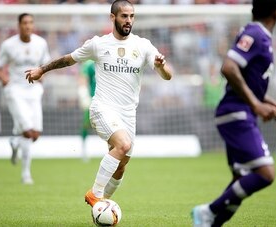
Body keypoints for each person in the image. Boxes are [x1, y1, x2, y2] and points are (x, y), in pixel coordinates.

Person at [25, 0, 172, 206]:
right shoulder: (98, 44)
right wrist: (42, 69)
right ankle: (95, 194)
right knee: (123, 145)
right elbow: (69, 59)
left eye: (131, 16)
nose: (128, 20)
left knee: (121, 166)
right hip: (102, 108)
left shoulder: (143, 45)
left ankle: (101, 205)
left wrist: (162, 67)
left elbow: (167, 76)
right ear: (113, 18)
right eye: (124, 16)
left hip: (128, 113)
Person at [191, 0, 276, 226]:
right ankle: (208, 211)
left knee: (241, 179)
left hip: (239, 113)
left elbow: (252, 85)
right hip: (236, 113)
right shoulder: (255, 34)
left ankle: (209, 222)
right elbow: (228, 67)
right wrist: (256, 106)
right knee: (266, 173)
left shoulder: (260, 36)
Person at [0, 13, 51, 185]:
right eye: (25, 23)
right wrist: (4, 79)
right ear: (19, 25)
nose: (28, 26)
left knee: (35, 134)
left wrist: (42, 76)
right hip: (15, 91)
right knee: (27, 131)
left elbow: (45, 65)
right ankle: (26, 175)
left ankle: (14, 141)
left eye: (31, 23)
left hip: (33, 91)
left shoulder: (41, 43)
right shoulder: (8, 45)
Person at [77, 60, 96, 162]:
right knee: (86, 124)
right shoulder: (89, 64)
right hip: (92, 100)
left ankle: (112, 151)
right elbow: (82, 79)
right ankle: (83, 150)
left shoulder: (108, 58)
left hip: (107, 100)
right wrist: (84, 95)